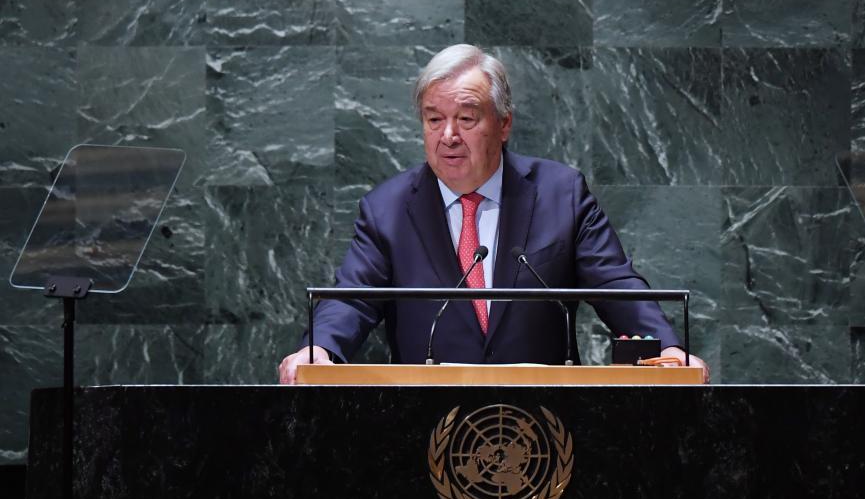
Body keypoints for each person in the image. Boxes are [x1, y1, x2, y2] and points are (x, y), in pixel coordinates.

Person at [278, 44, 709, 383]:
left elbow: (615, 285)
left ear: (504, 124)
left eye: (466, 119)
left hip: (548, 424)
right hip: (425, 425)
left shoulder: (561, 195)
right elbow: (352, 297)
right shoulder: (387, 209)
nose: (448, 136)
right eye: (433, 120)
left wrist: (667, 350)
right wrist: (320, 350)